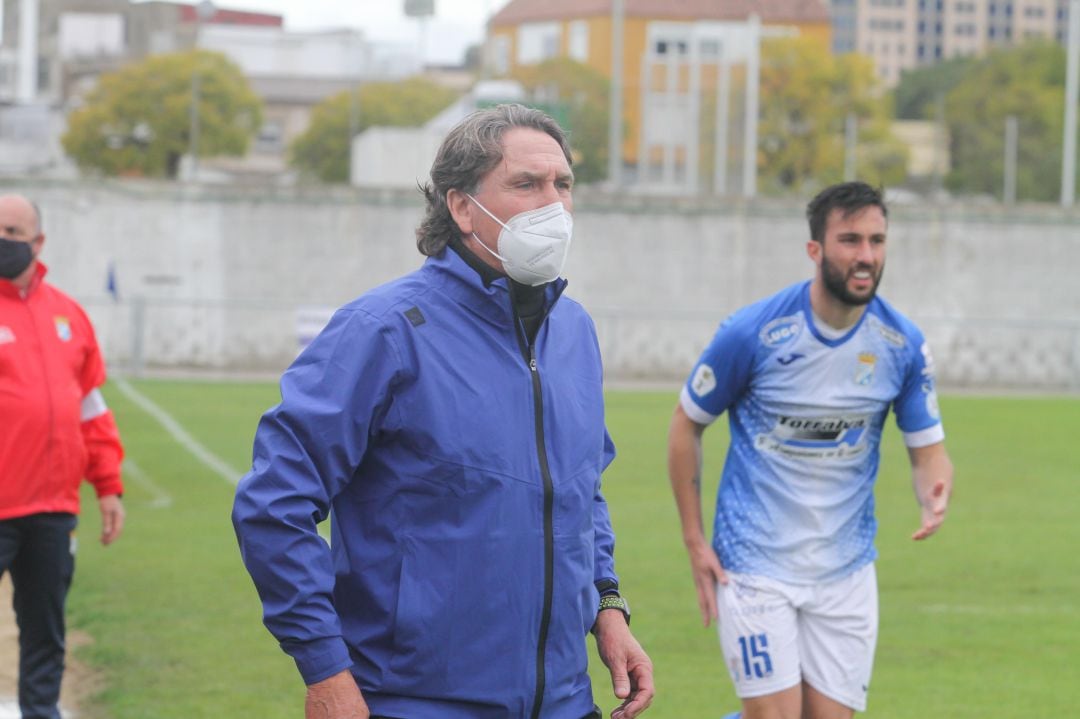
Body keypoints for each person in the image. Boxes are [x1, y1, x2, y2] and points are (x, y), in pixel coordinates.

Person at [232, 104, 654, 719]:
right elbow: (275, 504)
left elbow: (580, 492)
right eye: (525, 184)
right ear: (461, 207)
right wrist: (324, 667)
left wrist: (607, 608)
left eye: (562, 184)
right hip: (416, 702)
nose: (553, 204)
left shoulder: (574, 330)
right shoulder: (382, 330)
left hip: (565, 700)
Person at [667, 181, 953, 719]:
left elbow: (928, 451)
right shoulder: (754, 332)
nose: (865, 256)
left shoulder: (901, 344)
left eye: (876, 240)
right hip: (753, 565)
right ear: (815, 250)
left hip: (845, 571)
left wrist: (933, 493)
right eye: (850, 240)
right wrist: (693, 539)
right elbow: (687, 423)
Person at [0, 194, 125, 719]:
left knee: (45, 632)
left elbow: (91, 410)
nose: (4, 240)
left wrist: (109, 486)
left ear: (39, 242)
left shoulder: (68, 314)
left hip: (53, 509)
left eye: (13, 231)